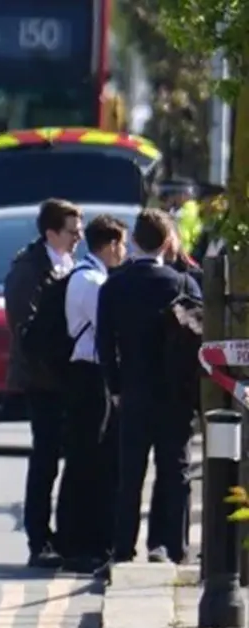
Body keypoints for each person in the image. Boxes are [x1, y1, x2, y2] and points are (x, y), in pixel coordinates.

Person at [98, 208, 201, 566]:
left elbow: (104, 343)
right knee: (174, 471)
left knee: (131, 474)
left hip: (134, 390)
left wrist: (115, 387)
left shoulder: (114, 285)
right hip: (176, 393)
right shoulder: (183, 285)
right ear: (168, 241)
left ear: (136, 241)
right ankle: (168, 546)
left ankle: (122, 548)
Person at [2, 198, 83, 568]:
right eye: (72, 229)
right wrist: (56, 367)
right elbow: (26, 330)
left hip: (66, 377)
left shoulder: (67, 263)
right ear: (51, 232)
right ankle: (38, 536)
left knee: (67, 456)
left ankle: (64, 534)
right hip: (44, 378)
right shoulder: (29, 269)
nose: (78, 235)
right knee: (45, 457)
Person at [57, 214, 128, 573]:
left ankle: (82, 539)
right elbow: (109, 330)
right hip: (88, 375)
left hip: (90, 373)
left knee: (93, 458)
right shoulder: (93, 281)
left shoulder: (90, 276)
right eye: (122, 244)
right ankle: (76, 542)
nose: (125, 252)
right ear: (111, 245)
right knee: (86, 460)